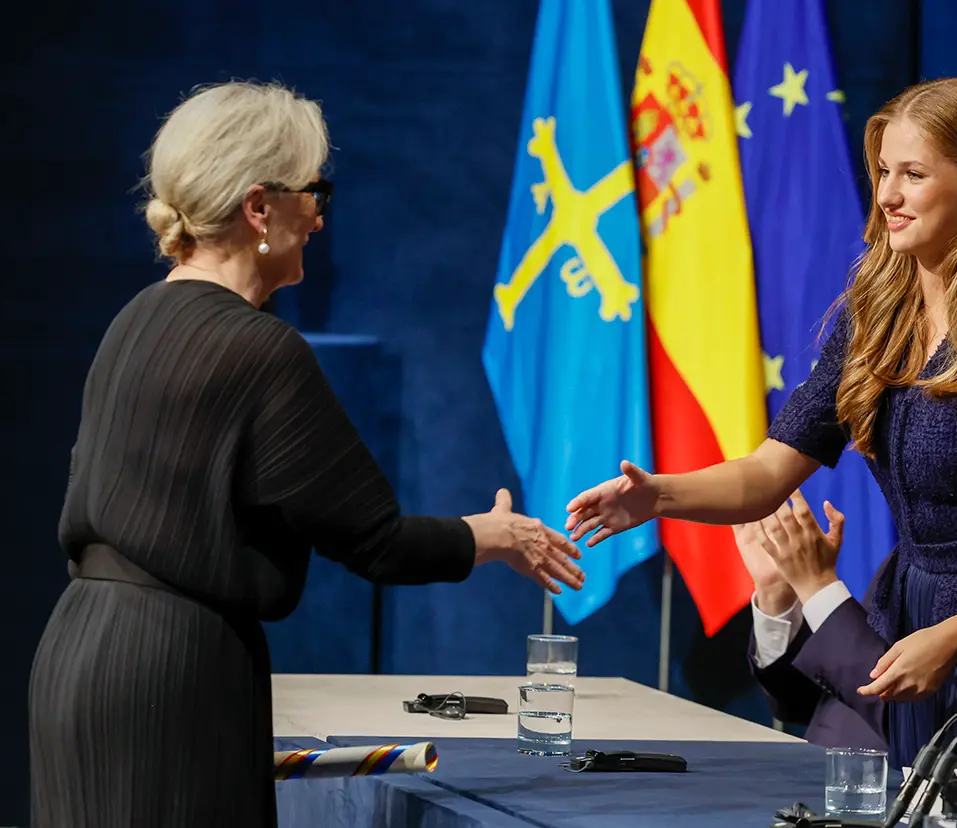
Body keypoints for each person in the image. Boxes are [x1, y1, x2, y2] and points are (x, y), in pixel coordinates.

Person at [565, 77, 957, 827]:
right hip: (912, 629)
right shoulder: (874, 322)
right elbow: (769, 472)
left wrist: (955, 634)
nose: (889, 197)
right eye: (882, 173)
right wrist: (658, 497)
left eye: (913, 174)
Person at [28, 80, 586, 828]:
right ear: (260, 208)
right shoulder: (261, 351)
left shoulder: (132, 322)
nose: (321, 217)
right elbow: (375, 540)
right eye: (314, 192)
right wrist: (491, 537)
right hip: (172, 674)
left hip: (75, 656)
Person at [737, 489, 886, 752]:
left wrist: (818, 587)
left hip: (893, 786)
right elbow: (800, 701)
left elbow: (904, 712)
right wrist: (776, 594)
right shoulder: (911, 553)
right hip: (814, 775)